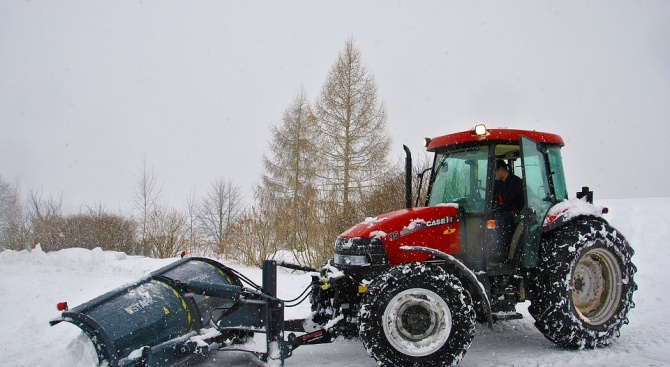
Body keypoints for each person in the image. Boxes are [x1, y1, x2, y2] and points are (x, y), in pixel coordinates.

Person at [492, 160, 524, 262]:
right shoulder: (499, 184)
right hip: (503, 210)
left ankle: (502, 252)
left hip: (517, 212)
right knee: (491, 216)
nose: (495, 175)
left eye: (495, 172)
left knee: (501, 219)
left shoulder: (516, 182)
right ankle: (492, 248)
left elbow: (527, 197)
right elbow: (492, 195)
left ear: (501, 170)